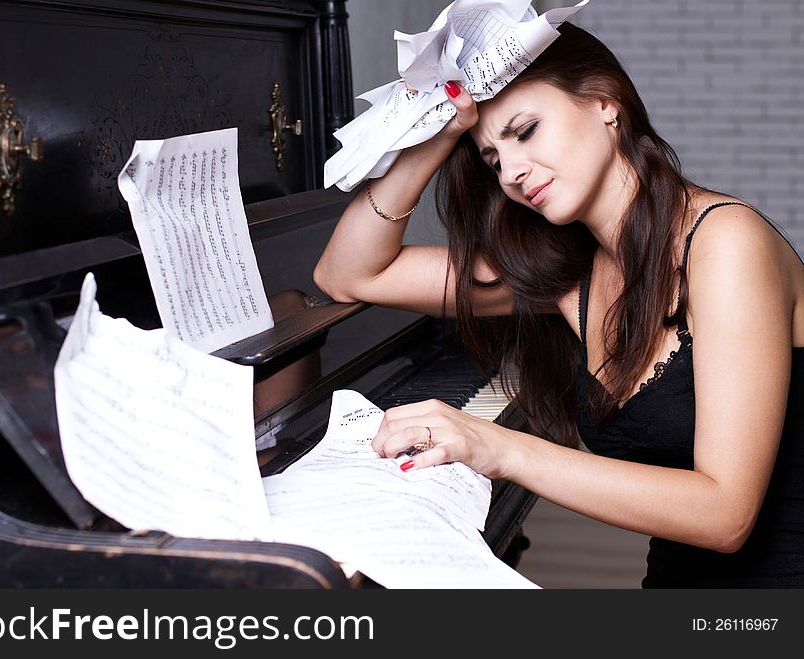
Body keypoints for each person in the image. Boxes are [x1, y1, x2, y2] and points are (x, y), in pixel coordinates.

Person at [313, 23, 804, 588]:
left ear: (604, 102)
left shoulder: (725, 243)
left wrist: (496, 447)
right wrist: (442, 134)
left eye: (526, 131)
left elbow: (726, 516)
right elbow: (348, 274)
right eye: (494, 160)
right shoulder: (572, 278)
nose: (513, 173)